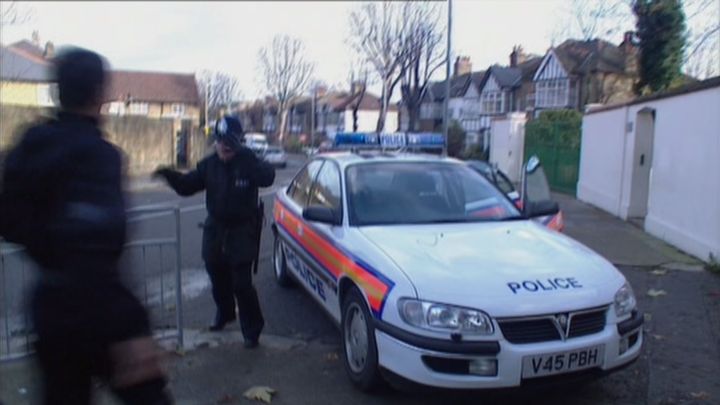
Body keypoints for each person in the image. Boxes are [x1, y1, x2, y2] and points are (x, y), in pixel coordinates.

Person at [0, 48, 172, 404]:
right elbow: (92, 242)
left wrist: (46, 247)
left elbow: (10, 219)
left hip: (50, 313)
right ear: (99, 95)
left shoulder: (29, 148)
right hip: (99, 316)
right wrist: (133, 328)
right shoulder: (98, 157)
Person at [153, 116, 275, 348]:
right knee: (216, 274)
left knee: (241, 283)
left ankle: (252, 329)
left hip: (242, 230)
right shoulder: (209, 165)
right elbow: (187, 186)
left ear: (238, 142)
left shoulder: (247, 161)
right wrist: (168, 175)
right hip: (216, 229)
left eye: (229, 142)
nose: (223, 146)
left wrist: (251, 163)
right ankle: (226, 312)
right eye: (220, 141)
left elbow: (268, 177)